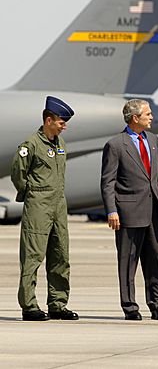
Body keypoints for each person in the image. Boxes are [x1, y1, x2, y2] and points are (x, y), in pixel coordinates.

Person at [101, 99, 158, 321]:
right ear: (135, 118)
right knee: (128, 261)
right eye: (148, 114)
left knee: (157, 260)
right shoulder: (115, 145)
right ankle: (130, 307)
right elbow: (107, 182)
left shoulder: (153, 140)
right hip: (128, 212)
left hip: (154, 211)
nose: (152, 117)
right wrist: (111, 211)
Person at [11, 96, 79, 321]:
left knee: (60, 254)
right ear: (49, 120)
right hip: (38, 204)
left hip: (59, 204)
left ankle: (58, 303)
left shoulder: (61, 144)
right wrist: (31, 192)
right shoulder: (30, 145)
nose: (64, 126)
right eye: (61, 122)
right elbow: (18, 174)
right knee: (33, 255)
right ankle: (29, 305)